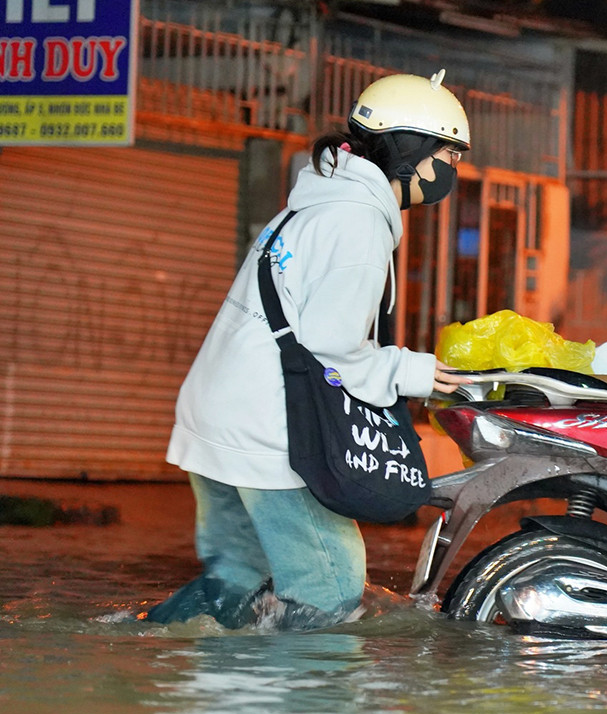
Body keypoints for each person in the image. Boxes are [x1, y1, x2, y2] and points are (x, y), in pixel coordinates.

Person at [146, 70, 472, 630]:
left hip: (218, 416)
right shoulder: (359, 223)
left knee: (234, 593)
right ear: (411, 151)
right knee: (331, 590)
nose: (451, 170)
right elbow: (332, 351)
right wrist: (411, 370)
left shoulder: (316, 205)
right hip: (266, 429)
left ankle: (140, 654)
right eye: (450, 154)